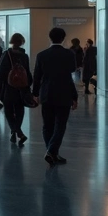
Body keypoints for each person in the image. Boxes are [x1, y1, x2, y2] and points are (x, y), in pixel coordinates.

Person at [32, 27, 79, 166]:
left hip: (46, 93)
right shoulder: (69, 54)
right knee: (60, 125)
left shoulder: (42, 55)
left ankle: (51, 152)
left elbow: (37, 77)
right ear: (63, 38)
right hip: (64, 93)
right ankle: (52, 152)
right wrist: (74, 97)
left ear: (49, 38)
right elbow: (71, 73)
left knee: (47, 126)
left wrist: (35, 93)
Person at [0, 33, 33, 146]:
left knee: (9, 110)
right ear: (22, 42)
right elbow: (28, 73)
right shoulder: (24, 56)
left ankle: (15, 131)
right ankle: (18, 130)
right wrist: (28, 86)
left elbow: (0, 74)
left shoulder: (6, 54)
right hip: (21, 88)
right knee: (20, 109)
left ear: (12, 41)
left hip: (8, 87)